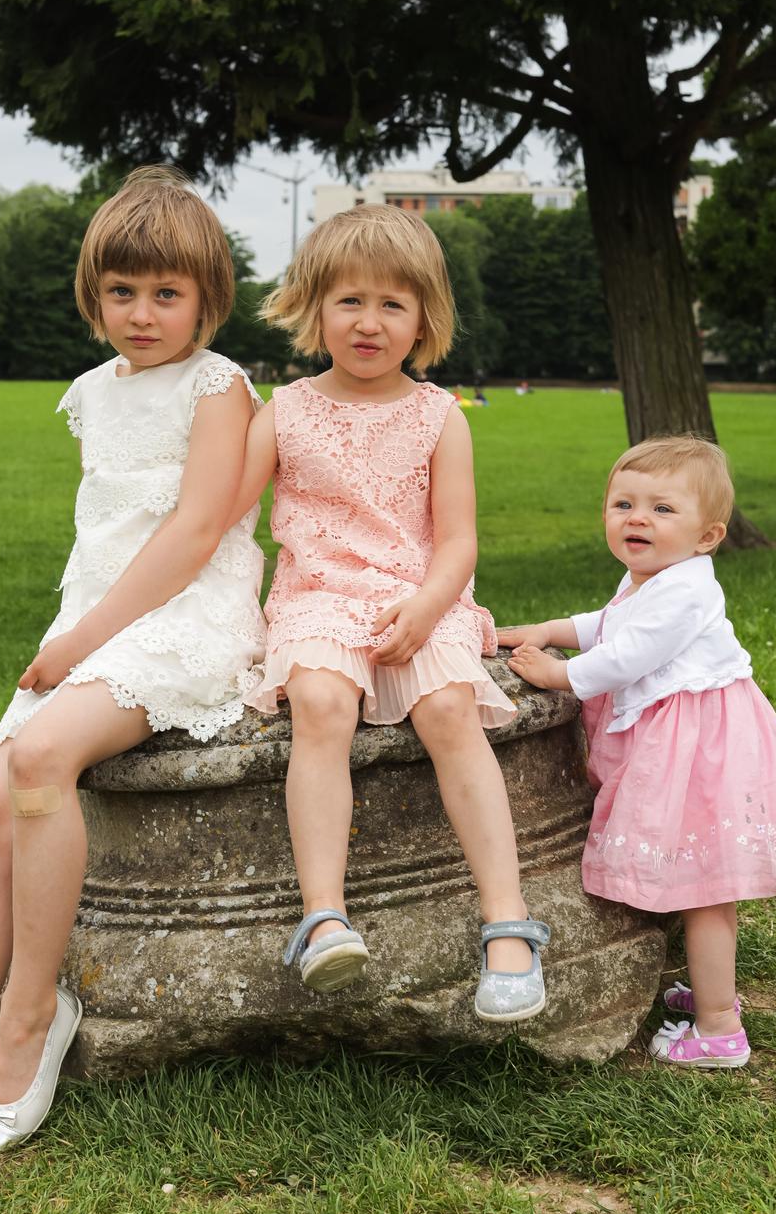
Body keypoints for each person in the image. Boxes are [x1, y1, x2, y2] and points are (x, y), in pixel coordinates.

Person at [0, 167, 267, 1177]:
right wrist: (76, 632)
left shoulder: (220, 386)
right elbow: (101, 538)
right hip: (94, 621)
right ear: (92, 294)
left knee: (40, 759)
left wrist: (84, 644)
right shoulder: (89, 394)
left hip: (180, 620)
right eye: (120, 292)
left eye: (165, 294)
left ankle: (30, 1025)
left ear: (207, 299)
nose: (141, 314)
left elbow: (197, 528)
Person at [231, 203, 549, 1021]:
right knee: (322, 703)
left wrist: (428, 606)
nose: (369, 323)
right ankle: (324, 917)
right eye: (349, 301)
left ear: (423, 319)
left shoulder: (440, 416)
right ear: (314, 306)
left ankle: (507, 924)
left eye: (392, 305)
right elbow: (221, 512)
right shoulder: (286, 409)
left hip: (419, 593)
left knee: (449, 708)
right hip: (318, 599)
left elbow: (459, 540)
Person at [501, 435, 776, 1069]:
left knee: (703, 890)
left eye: (662, 509)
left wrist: (558, 673)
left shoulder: (686, 590)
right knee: (704, 884)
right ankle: (710, 984)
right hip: (691, 746)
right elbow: (608, 622)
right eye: (623, 503)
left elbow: (625, 655)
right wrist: (549, 631)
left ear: (708, 536)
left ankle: (720, 1028)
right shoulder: (654, 578)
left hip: (697, 755)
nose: (637, 518)